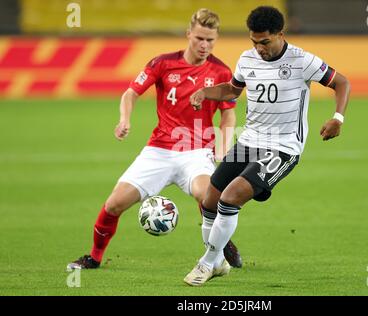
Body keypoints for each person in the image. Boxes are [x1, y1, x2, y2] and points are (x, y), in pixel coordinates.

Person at [184, 6, 351, 286]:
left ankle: (207, 263)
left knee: (230, 197)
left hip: (283, 147)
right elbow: (234, 90)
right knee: (209, 201)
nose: (259, 48)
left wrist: (337, 118)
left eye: (265, 42)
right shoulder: (247, 59)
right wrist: (206, 92)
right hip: (249, 140)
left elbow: (341, 82)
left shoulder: (302, 60)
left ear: (280, 35)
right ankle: (219, 262)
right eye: (254, 42)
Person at [67, 8, 243, 272]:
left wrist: (223, 145)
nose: (204, 45)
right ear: (188, 34)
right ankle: (93, 258)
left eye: (210, 40)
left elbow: (228, 116)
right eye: (199, 39)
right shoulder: (162, 63)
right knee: (114, 204)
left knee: (207, 196)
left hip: (196, 151)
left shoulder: (220, 72)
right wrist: (125, 120)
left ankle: (222, 246)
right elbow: (130, 93)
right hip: (158, 150)